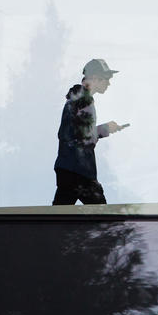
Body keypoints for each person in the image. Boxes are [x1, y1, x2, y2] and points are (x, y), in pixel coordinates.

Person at [53, 58, 128, 205]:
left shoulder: (79, 97)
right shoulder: (83, 98)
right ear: (94, 77)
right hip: (79, 170)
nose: (108, 83)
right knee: (103, 219)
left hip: (68, 168)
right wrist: (106, 129)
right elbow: (82, 135)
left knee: (59, 215)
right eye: (106, 79)